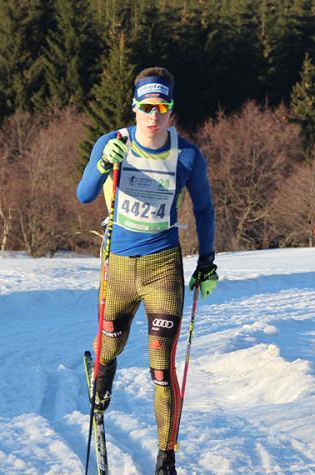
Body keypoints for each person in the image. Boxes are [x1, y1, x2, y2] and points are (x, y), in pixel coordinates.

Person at [76, 67, 217, 475]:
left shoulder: (187, 155)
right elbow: (84, 194)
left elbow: (205, 210)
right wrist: (103, 163)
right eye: (146, 107)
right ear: (135, 107)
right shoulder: (113, 143)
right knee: (109, 349)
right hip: (119, 268)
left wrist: (207, 262)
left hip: (163, 269)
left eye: (162, 107)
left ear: (171, 110)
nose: (154, 116)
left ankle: (165, 457)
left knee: (161, 365)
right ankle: (103, 375)